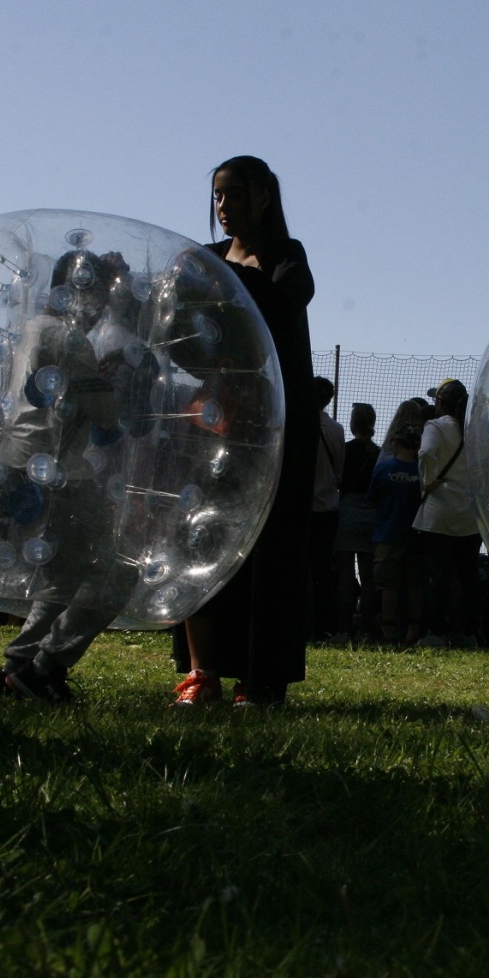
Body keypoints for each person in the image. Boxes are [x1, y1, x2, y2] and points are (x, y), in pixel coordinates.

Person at [172, 155, 316, 706]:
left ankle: (262, 677)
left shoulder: (287, 257)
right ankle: (202, 672)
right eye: (216, 196)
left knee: (270, 551)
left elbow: (286, 300)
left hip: (275, 426)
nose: (223, 206)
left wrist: (221, 288)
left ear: (263, 196)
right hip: (216, 422)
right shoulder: (207, 262)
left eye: (232, 193)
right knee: (205, 535)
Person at [0, 249, 141, 703]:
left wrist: (92, 378)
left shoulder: (31, 329)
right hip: (60, 471)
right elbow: (106, 416)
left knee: (63, 575)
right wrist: (107, 382)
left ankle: (17, 668)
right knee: (115, 576)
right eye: (98, 300)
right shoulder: (69, 338)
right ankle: (45, 667)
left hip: (21, 462)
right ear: (78, 293)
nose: (100, 311)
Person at [411, 379, 482, 647]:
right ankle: (468, 633)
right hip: (467, 514)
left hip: (438, 512)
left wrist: (428, 481)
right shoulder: (471, 430)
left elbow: (426, 453)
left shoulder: (435, 426)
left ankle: (435, 632)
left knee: (438, 576)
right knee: (468, 576)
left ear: (440, 401)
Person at [367, 421, 426, 644]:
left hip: (387, 534)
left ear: (396, 443)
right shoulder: (422, 471)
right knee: (415, 584)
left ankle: (388, 630)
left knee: (388, 586)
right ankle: (413, 629)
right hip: (416, 535)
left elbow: (372, 499)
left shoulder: (384, 469)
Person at [333, 402, 381, 641]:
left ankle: (343, 628)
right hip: (371, 513)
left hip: (348, 510)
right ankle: (365, 628)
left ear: (353, 424)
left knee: (344, 574)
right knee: (368, 574)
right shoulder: (378, 453)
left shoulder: (345, 450)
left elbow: (337, 479)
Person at [309, 376, 345, 639]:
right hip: (329, 507)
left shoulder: (298, 424)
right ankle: (324, 622)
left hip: (305, 508)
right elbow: (339, 470)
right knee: (323, 568)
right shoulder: (337, 430)